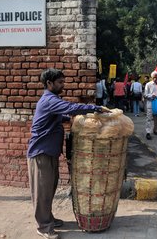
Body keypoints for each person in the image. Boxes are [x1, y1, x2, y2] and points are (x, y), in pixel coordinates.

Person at [27, 68, 109, 239]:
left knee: (49, 188)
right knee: (42, 191)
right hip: (41, 152)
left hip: (50, 152)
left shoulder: (52, 99)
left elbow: (61, 116)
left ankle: (48, 218)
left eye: (63, 82)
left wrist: (77, 119)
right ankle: (43, 227)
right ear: (49, 83)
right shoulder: (49, 100)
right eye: (59, 83)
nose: (62, 85)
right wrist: (95, 108)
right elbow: (71, 107)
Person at [144, 71, 157, 140]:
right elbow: (145, 95)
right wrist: (151, 96)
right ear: (151, 77)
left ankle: (155, 130)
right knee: (149, 118)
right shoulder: (148, 84)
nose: (155, 79)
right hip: (150, 103)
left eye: (156, 77)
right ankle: (148, 132)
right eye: (154, 77)